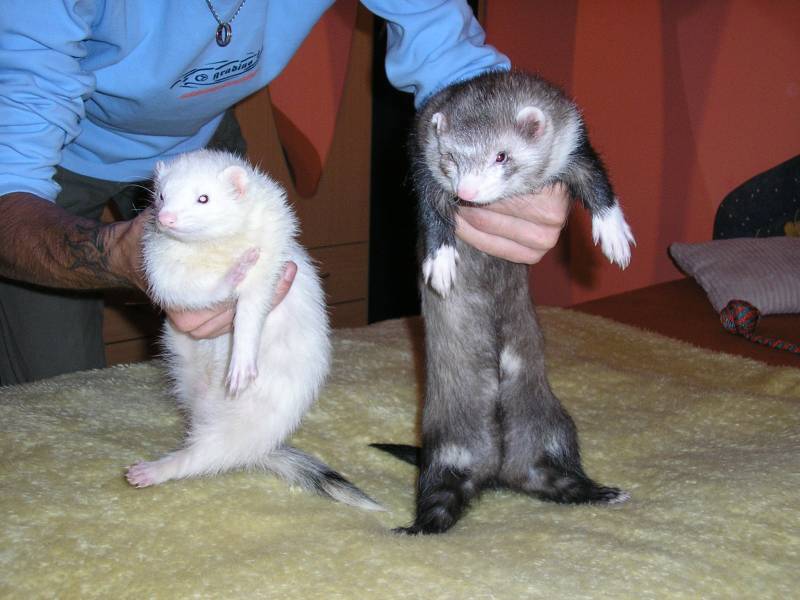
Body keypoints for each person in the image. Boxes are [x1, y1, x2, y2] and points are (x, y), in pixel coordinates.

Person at [0, 1, 570, 385]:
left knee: (248, 367)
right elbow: (8, 186)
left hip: (205, 152)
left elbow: (450, 56)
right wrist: (119, 255)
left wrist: (526, 157)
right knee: (54, 392)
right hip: (46, 171)